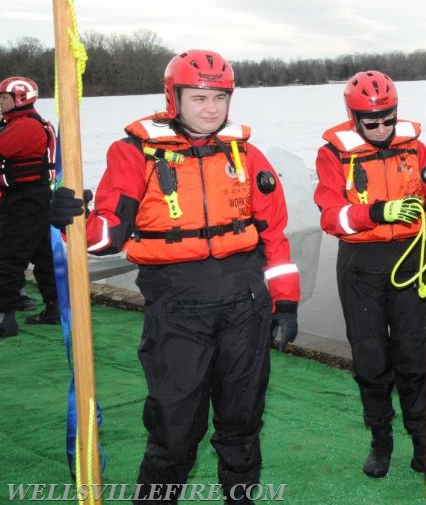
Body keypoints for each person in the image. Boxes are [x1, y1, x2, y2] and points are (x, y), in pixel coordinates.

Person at [50, 50, 301, 504]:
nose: (211, 109)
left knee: (242, 420)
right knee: (175, 424)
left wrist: (285, 302)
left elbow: (274, 237)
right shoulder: (135, 154)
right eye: (199, 97)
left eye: (219, 98)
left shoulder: (247, 154)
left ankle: (239, 497)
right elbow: (108, 233)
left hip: (246, 304)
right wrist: (75, 220)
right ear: (174, 97)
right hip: (177, 307)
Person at [313, 70, 426, 488]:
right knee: (371, 361)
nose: (381, 129)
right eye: (371, 122)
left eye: (388, 119)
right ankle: (381, 443)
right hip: (361, 265)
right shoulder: (333, 154)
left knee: (415, 359)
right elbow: (331, 214)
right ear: (353, 117)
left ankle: (423, 449)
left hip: (411, 260)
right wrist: (376, 213)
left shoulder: (415, 147)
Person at [0, 76, 59, 339]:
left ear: (20, 98)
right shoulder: (19, 124)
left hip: (25, 200)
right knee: (44, 256)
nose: (0, 102)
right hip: (33, 198)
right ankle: (55, 308)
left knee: (8, 255)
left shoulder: (25, 127)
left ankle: (4, 319)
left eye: (3, 97)